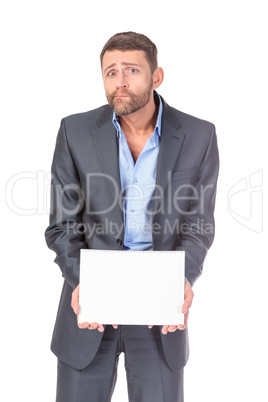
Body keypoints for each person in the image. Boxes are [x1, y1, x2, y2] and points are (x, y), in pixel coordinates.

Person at [45, 31, 219, 402]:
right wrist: (84, 284)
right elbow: (62, 225)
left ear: (156, 77)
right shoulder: (74, 132)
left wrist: (183, 279)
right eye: (110, 72)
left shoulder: (198, 135)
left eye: (131, 71)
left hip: (160, 311)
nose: (119, 83)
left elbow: (198, 225)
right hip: (89, 307)